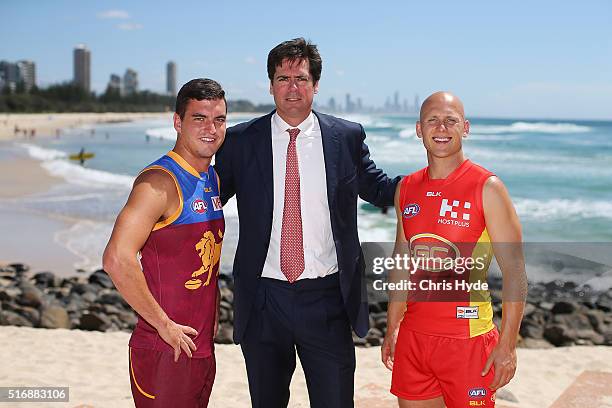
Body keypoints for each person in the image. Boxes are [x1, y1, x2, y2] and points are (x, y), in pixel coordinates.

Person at [214, 38, 399, 408]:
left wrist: (435, 186)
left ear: (315, 84)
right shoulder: (239, 140)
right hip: (263, 298)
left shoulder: (344, 137)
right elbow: (211, 197)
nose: (292, 87)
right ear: (270, 85)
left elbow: (378, 188)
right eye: (283, 78)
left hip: (327, 299)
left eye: (301, 78)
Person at [381, 92, 527, 407]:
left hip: (469, 343)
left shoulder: (487, 187)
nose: (442, 127)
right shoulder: (406, 188)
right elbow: (401, 262)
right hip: (414, 340)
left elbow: (515, 273)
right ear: (419, 129)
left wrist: (508, 346)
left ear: (466, 128)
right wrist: (393, 326)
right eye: (433, 120)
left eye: (451, 120)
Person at [102, 78, 227, 407]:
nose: (210, 129)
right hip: (163, 348)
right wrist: (164, 326)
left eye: (219, 119)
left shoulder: (210, 178)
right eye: (199, 118)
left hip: (199, 349)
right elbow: (117, 258)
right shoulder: (159, 181)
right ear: (177, 122)